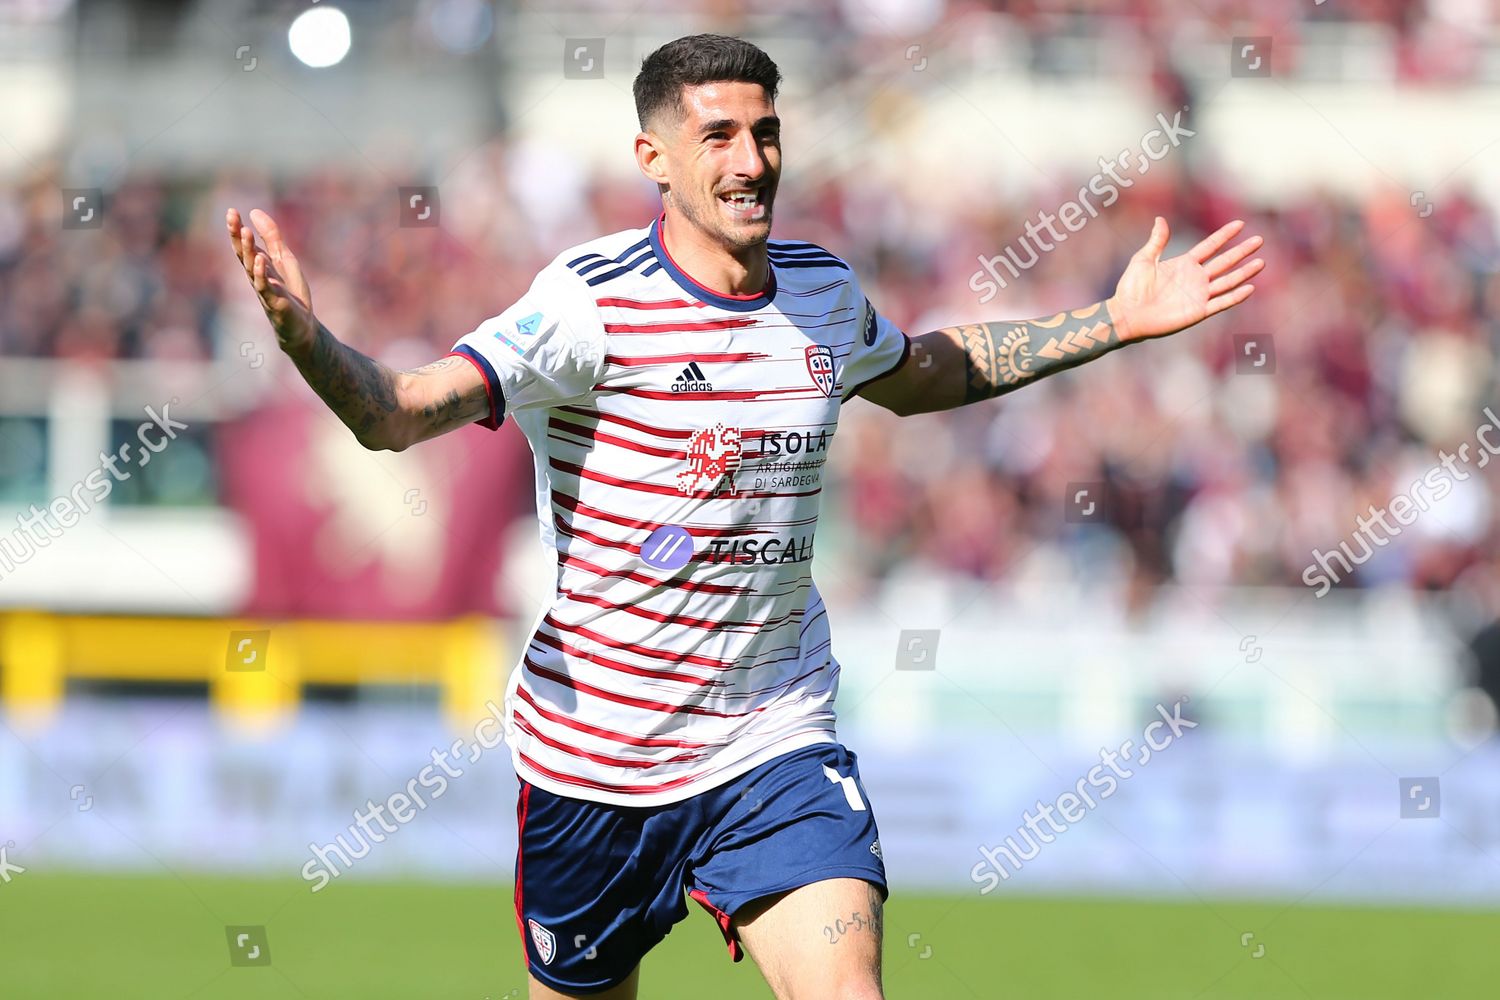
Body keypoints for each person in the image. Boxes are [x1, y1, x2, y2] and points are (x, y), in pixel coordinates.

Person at [226, 32, 1262, 1000]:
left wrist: (1112, 323)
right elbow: (395, 414)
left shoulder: (820, 292)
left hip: (772, 739)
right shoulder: (587, 304)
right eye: (717, 134)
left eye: (765, 131)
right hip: (599, 762)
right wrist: (305, 338)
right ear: (656, 157)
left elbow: (927, 371)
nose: (751, 158)